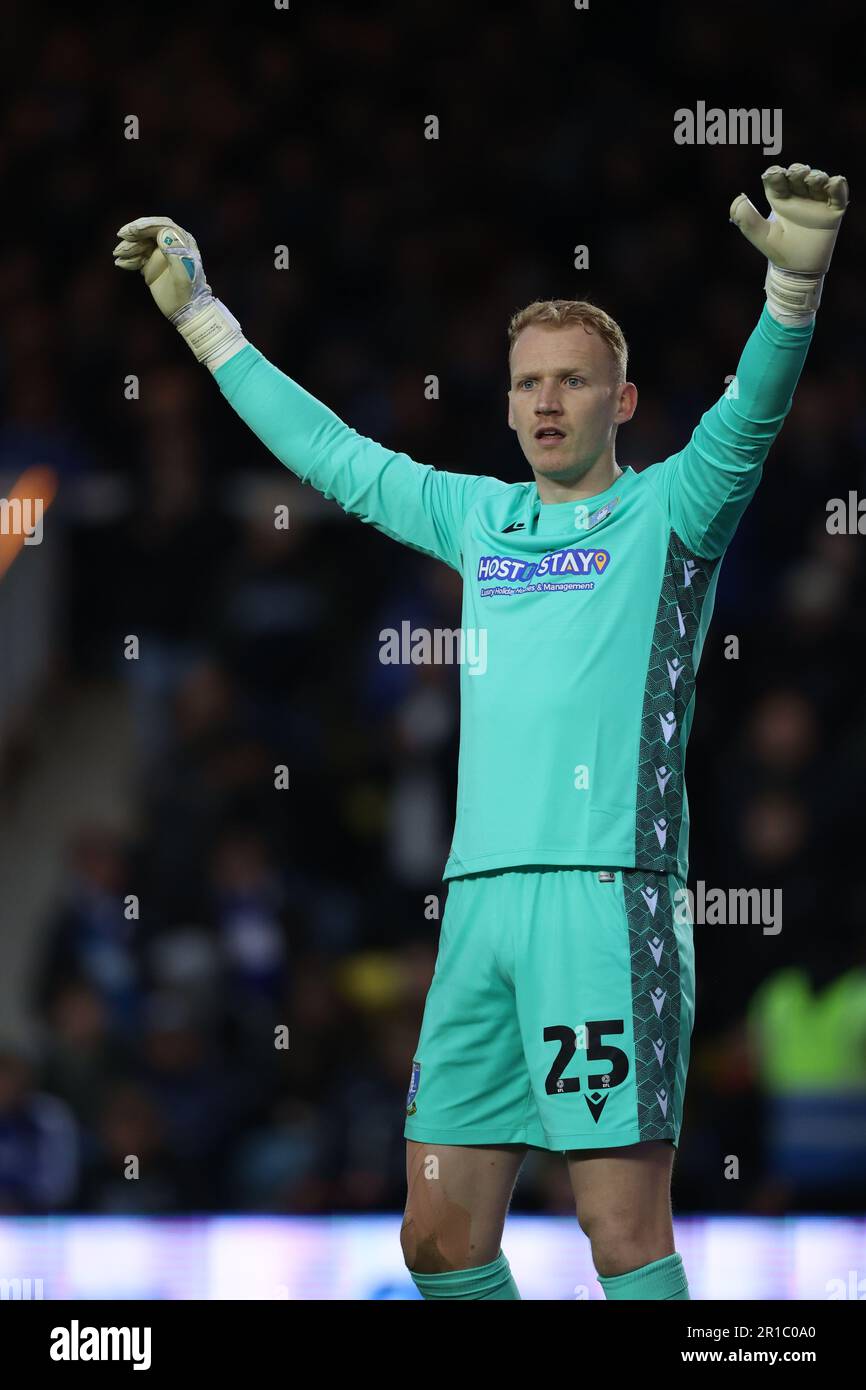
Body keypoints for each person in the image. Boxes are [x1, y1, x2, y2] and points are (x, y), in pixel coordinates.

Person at [113, 160, 849, 1300]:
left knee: (617, 1228)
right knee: (438, 1242)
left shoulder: (671, 510)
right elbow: (334, 458)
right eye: (528, 383)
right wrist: (207, 321)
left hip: (605, 898)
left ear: (623, 402)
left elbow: (748, 419)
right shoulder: (482, 519)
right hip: (476, 913)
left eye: (573, 381)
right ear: (505, 403)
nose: (547, 402)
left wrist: (787, 299)